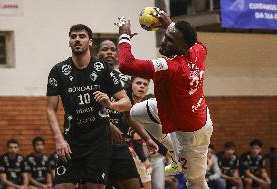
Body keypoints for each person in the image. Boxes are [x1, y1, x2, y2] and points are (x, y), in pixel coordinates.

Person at [115, 10, 213, 189]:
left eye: (169, 40)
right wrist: (169, 24)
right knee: (136, 113)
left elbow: (125, 64)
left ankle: (179, 156)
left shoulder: (170, 67)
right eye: (165, 36)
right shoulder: (199, 50)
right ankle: (174, 155)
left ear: (183, 48)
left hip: (192, 134)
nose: (163, 41)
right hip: (179, 111)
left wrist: (124, 36)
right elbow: (190, 41)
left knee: (196, 182)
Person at [46, 24, 132, 189]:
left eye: (82, 36)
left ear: (90, 42)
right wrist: (59, 139)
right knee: (62, 186)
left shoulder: (103, 69)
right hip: (71, 141)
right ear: (69, 42)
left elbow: (126, 102)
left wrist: (110, 104)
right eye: (73, 36)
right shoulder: (58, 71)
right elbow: (50, 109)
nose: (77, 39)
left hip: (98, 142)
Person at [97, 40, 144, 189]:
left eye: (112, 49)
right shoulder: (88, 76)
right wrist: (108, 125)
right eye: (105, 49)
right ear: (97, 53)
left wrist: (147, 138)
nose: (110, 52)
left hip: (118, 144)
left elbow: (128, 114)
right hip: (95, 143)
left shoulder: (124, 80)